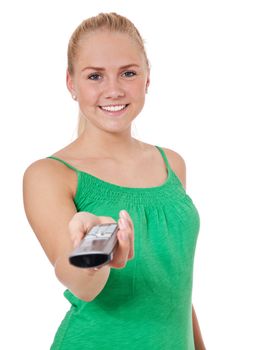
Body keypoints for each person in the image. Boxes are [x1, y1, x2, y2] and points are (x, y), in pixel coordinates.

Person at [23, 12, 206, 350]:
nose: (113, 89)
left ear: (147, 78)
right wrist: (94, 254)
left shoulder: (172, 164)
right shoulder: (49, 175)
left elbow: (175, 285)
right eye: (95, 76)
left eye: (128, 73)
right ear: (71, 83)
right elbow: (82, 285)